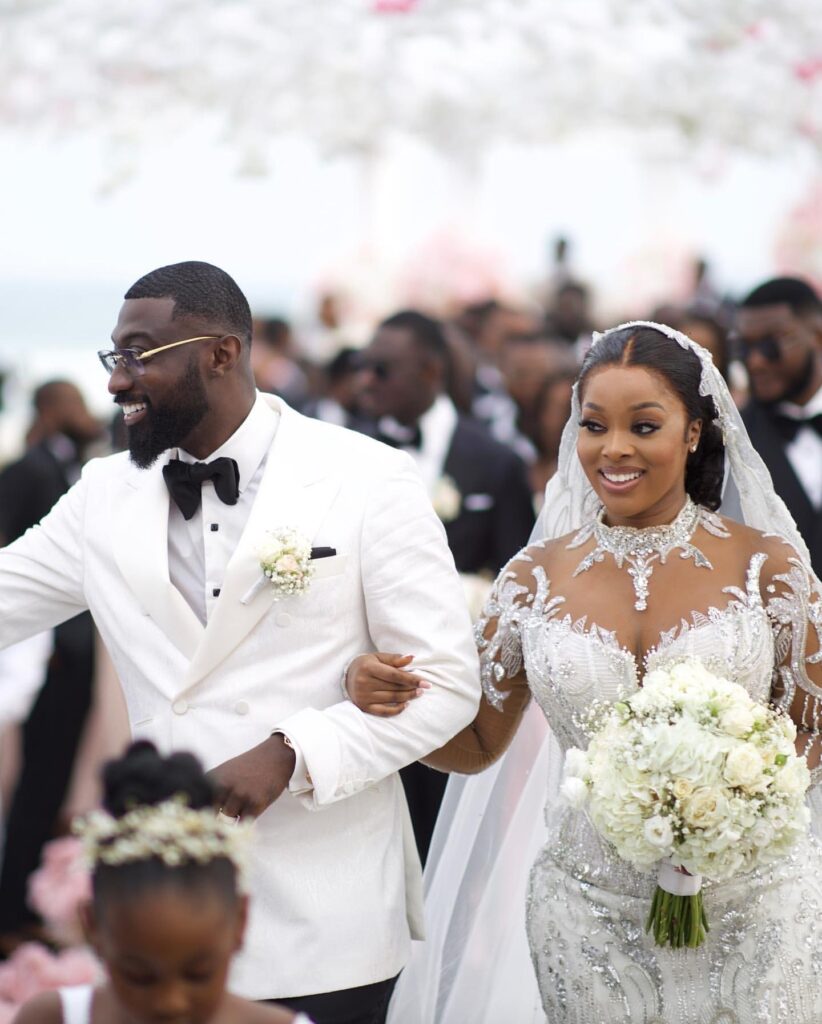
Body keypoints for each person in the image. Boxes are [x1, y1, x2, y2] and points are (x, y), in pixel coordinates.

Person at [0, 261, 480, 1024]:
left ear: (220, 353)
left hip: (328, 921)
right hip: (162, 938)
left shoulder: (365, 478)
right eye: (113, 357)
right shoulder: (102, 495)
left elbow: (448, 683)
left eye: (139, 353)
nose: (118, 381)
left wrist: (291, 753)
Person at [348, 322, 822, 1023]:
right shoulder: (532, 579)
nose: (614, 449)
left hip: (756, 903)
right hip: (587, 913)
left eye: (644, 424)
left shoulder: (767, 568)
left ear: (693, 432)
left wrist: (732, 810)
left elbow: (812, 728)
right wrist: (382, 703)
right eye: (594, 425)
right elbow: (476, 744)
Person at [358, 310, 535, 863]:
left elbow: (517, 581)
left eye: (383, 369)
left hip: (461, 690)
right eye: (366, 368)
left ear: (430, 371)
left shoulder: (495, 461)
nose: (368, 381)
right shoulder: (349, 456)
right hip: (367, 689)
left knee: (450, 844)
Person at [12, 740, 308, 1024]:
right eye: (139, 977)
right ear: (93, 927)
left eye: (199, 974)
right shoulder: (53, 1018)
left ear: (240, 922)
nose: (170, 1002)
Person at [0, 381, 102, 950]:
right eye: (73, 402)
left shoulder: (78, 467)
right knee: (34, 786)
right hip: (44, 655)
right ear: (48, 410)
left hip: (78, 660)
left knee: (55, 783)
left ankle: (23, 908)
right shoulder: (24, 470)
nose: (86, 413)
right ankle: (9, 913)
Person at [735, 277, 822, 576]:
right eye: (745, 347)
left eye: (772, 344)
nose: (756, 362)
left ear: (818, 336)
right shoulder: (730, 441)